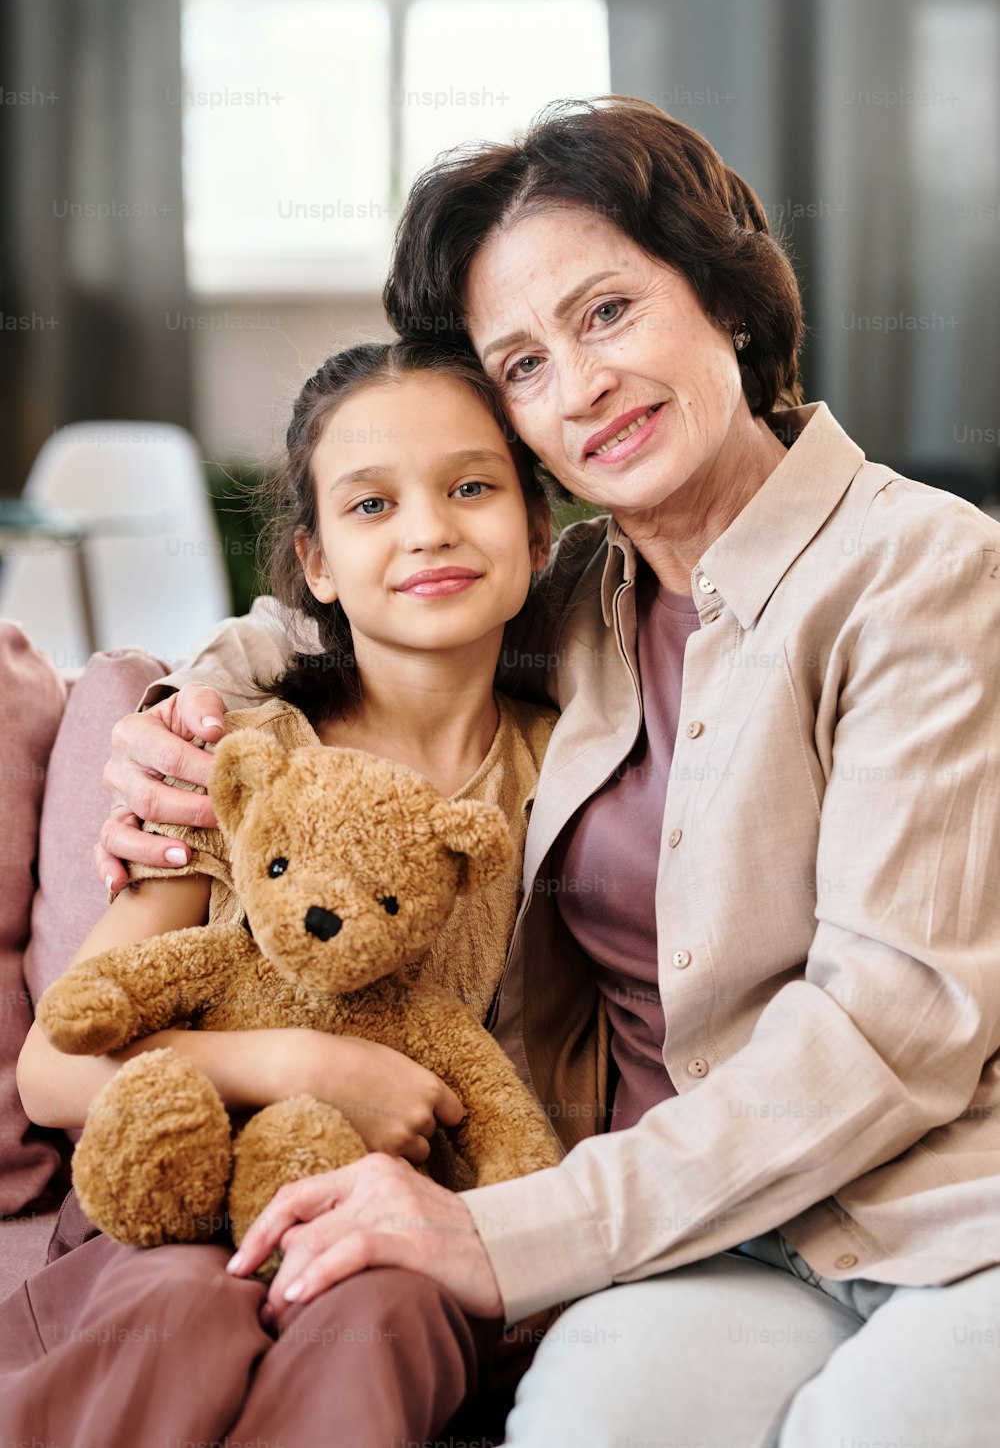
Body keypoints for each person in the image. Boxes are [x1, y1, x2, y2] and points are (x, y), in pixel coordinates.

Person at [75, 97, 1000, 1445]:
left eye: (608, 313)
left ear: (726, 297)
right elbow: (348, 611)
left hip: (945, 1212)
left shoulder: (928, 577)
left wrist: (504, 1232)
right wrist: (179, 706)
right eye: (521, 364)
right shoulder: (582, 595)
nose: (579, 388)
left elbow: (884, 1033)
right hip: (725, 1244)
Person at [2, 340, 557, 1445]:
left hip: (411, 1227)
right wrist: (305, 1063)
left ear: (540, 534)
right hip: (178, 1204)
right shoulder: (238, 762)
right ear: (314, 560)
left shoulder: (577, 770)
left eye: (472, 487)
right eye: (369, 504)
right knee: (179, 1309)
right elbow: (56, 1066)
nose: (428, 530)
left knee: (376, 1319)